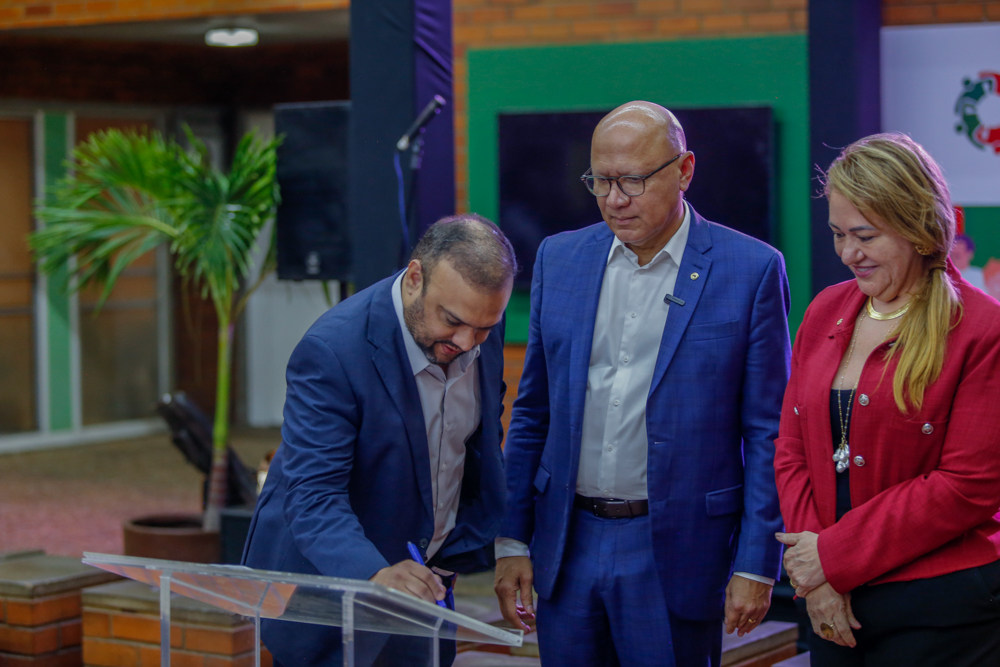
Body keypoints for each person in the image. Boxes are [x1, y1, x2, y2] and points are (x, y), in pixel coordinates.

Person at [493, 101, 791, 667]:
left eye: (632, 180)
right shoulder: (560, 258)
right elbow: (534, 411)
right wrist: (511, 538)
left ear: (685, 170)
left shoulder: (750, 270)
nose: (615, 199)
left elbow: (768, 432)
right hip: (567, 540)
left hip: (677, 547)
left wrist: (756, 563)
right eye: (600, 181)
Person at [242, 215, 517, 667]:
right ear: (415, 278)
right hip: (334, 591)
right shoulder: (332, 351)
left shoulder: (478, 323)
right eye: (452, 321)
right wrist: (374, 573)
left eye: (483, 328)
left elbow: (479, 441)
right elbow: (313, 496)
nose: (468, 342)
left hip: (425, 584)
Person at [774, 133, 1000, 665]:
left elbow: (968, 485)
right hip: (830, 599)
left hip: (940, 610)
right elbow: (792, 448)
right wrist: (816, 574)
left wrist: (832, 557)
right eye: (838, 234)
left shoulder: (982, 328)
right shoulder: (825, 309)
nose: (848, 254)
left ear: (919, 228)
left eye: (866, 236)